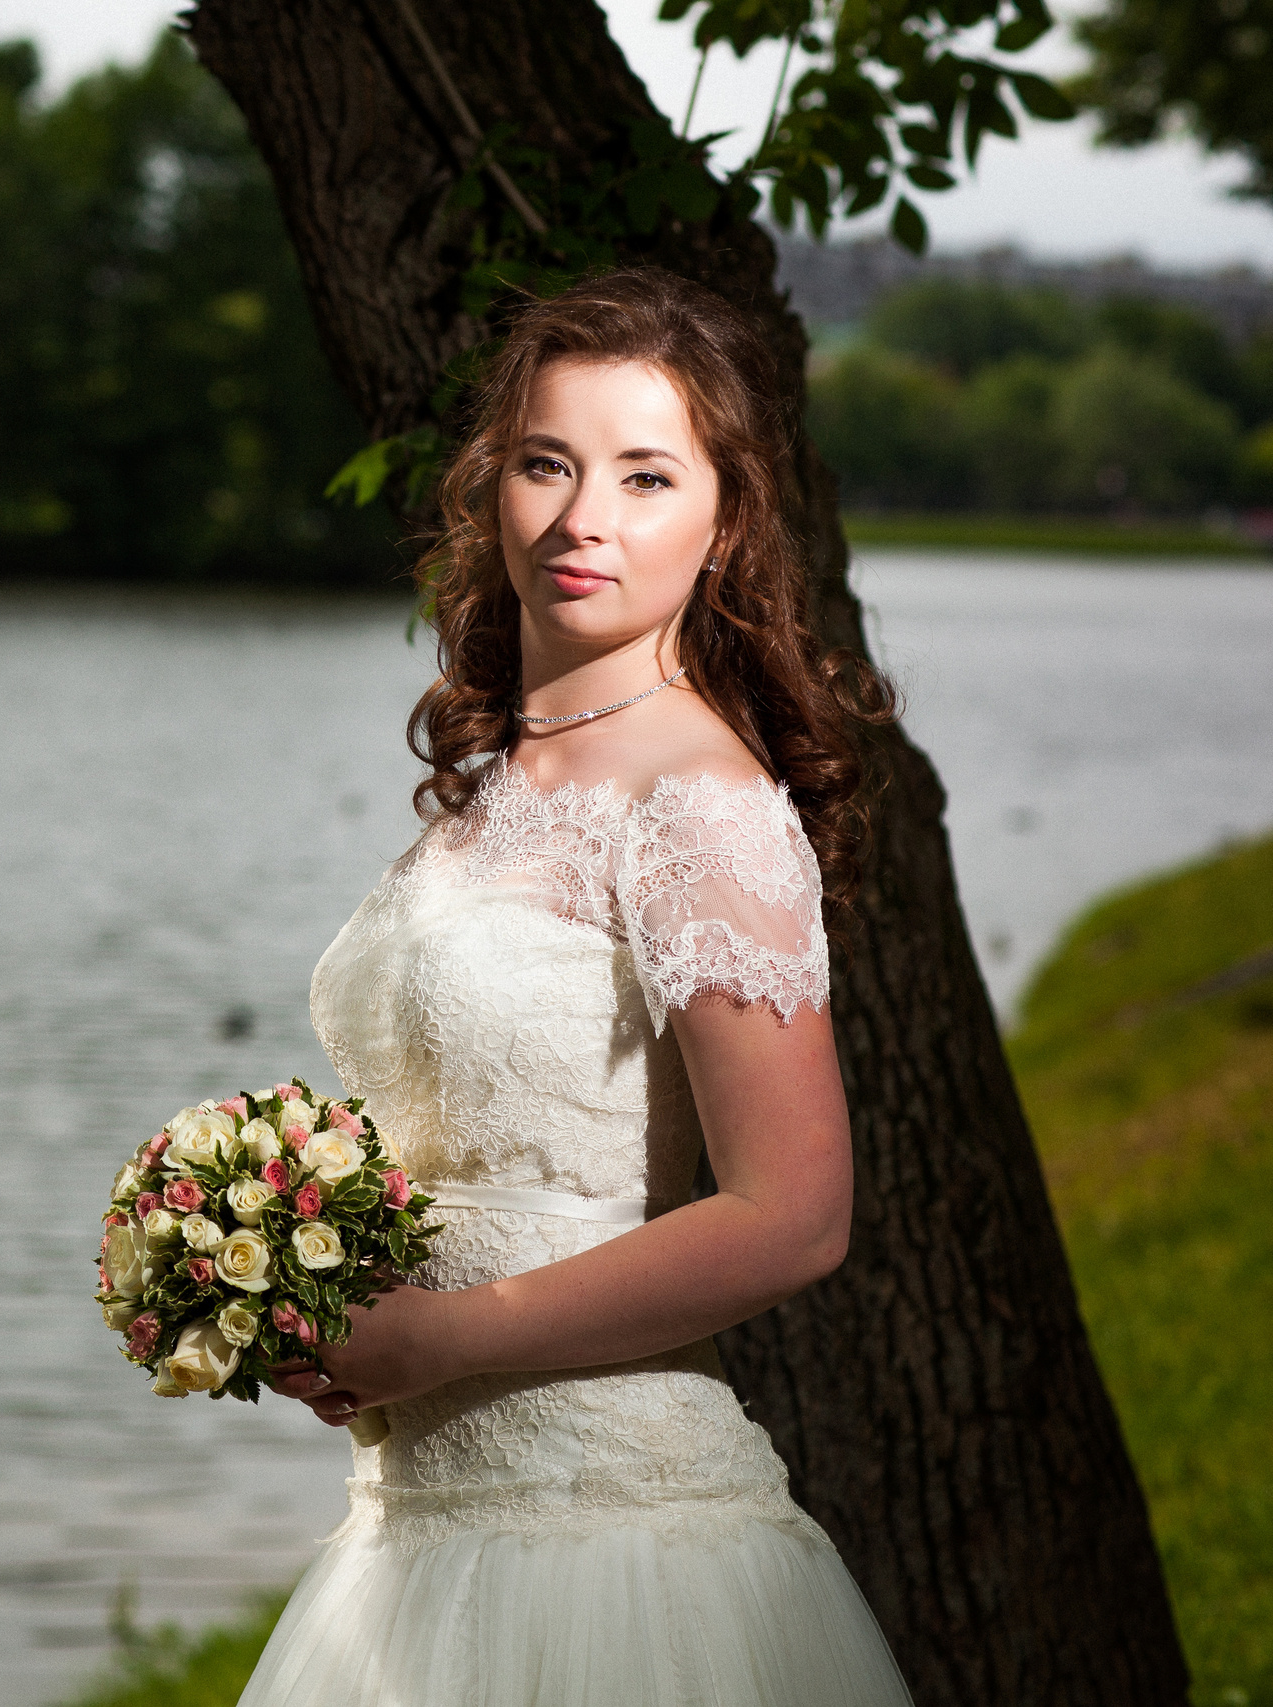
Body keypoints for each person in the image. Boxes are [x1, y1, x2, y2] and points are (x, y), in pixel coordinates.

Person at [237, 268, 913, 1705]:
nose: (580, 516)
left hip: (614, 1549)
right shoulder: (495, 786)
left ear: (724, 521)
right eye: (545, 461)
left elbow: (796, 1215)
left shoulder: (698, 797)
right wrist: (322, 1300)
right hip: (423, 1529)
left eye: (644, 475)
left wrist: (439, 1338)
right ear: (495, 486)